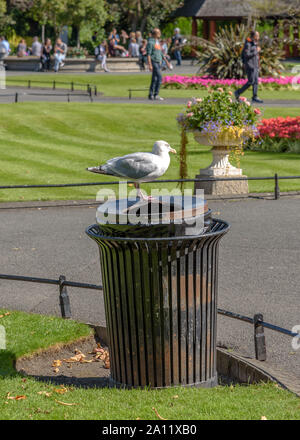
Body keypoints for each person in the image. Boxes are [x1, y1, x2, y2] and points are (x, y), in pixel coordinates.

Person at [235, 31, 263, 104]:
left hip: (255, 65)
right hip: (250, 65)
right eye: (257, 36)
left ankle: (255, 96)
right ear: (254, 36)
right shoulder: (248, 44)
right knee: (251, 81)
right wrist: (256, 51)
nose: (258, 38)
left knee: (256, 82)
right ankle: (238, 92)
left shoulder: (254, 43)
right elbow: (247, 55)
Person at [147, 28, 171, 101]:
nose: (160, 34)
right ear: (155, 34)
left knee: (154, 79)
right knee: (160, 77)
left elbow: (160, 53)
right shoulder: (151, 42)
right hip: (154, 62)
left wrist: (166, 62)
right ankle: (156, 94)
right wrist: (150, 65)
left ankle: (151, 94)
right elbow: (148, 54)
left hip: (158, 62)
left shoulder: (157, 42)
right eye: (158, 32)